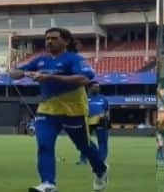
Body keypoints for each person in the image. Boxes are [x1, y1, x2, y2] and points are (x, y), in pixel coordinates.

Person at [8, 28, 108, 192]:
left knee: (84, 146)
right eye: (47, 38)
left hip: (73, 110)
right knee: (44, 145)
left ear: (66, 41)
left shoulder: (74, 59)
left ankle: (101, 170)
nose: (49, 41)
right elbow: (13, 73)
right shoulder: (40, 60)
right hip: (47, 110)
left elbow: (83, 79)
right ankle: (48, 183)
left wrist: (50, 77)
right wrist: (23, 72)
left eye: (54, 38)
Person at [78, 81, 110, 164]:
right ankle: (83, 159)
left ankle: (101, 160)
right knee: (84, 141)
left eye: (98, 87)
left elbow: (106, 110)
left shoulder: (103, 98)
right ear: (89, 88)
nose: (97, 88)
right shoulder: (84, 98)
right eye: (95, 86)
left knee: (102, 142)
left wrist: (105, 116)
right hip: (87, 121)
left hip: (101, 121)